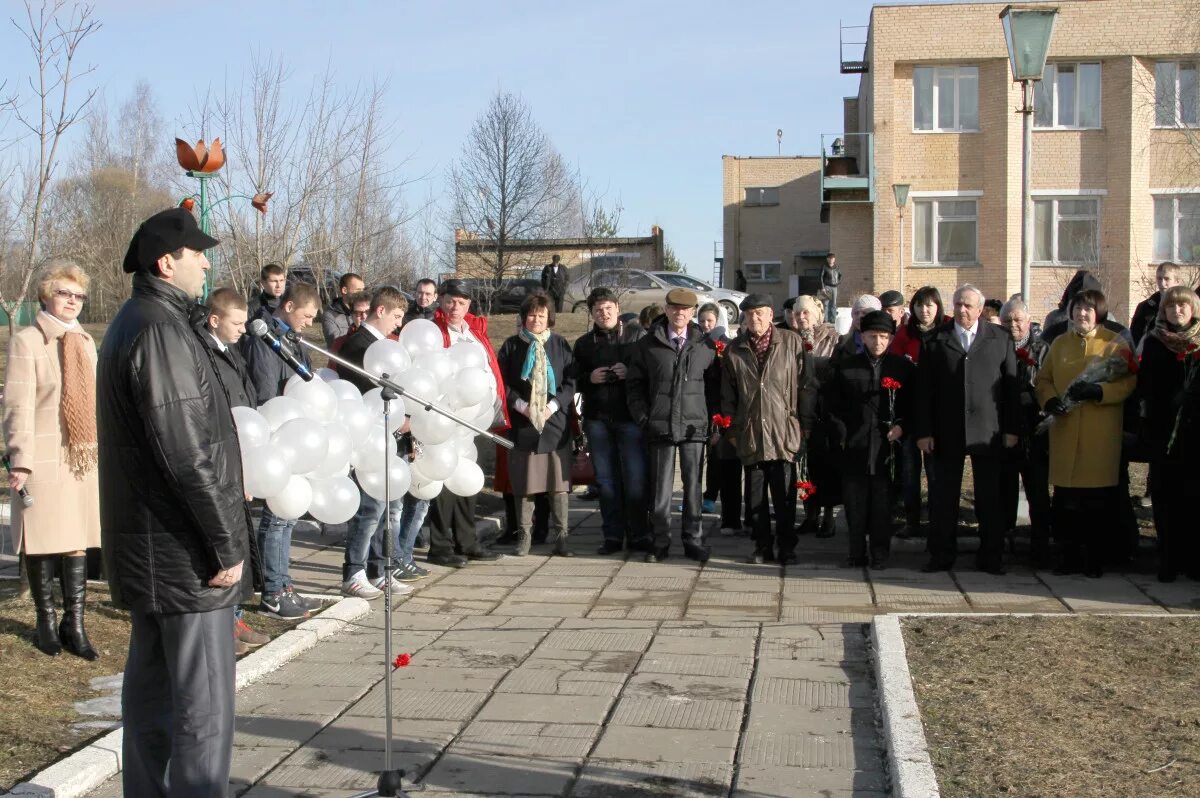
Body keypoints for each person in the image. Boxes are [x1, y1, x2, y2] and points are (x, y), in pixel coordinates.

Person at [99, 207, 253, 795]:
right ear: (167, 262)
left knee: (156, 702)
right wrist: (224, 543)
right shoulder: (159, 330)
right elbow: (188, 453)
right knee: (202, 712)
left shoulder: (141, 320)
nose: (207, 262)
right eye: (197, 253)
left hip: (158, 552)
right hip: (184, 556)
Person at [4, 262, 101, 659]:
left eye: (78, 296)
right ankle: (45, 619)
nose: (72, 302)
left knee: (76, 538)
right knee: (42, 539)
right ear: (46, 295)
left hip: (81, 453)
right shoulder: (28, 340)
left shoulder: (85, 341)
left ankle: (73, 623)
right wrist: (20, 458)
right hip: (42, 453)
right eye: (64, 294)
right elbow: (17, 403)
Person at [914, 284, 1020, 574]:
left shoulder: (999, 338)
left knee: (989, 498)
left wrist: (1012, 429)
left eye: (968, 305)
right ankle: (942, 555)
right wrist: (924, 431)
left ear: (980, 309)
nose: (962, 310)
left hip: (989, 432)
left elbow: (1011, 388)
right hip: (946, 431)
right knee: (943, 497)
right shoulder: (936, 340)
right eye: (958, 304)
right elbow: (924, 390)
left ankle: (991, 557)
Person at [1037, 289, 1136, 577]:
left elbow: (1129, 383)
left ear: (1098, 314)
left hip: (1099, 434)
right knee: (1066, 501)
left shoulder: (1113, 344)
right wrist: (1050, 399)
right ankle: (1067, 556)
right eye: (1077, 309)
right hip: (1066, 431)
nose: (1081, 314)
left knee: (1096, 504)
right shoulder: (1059, 344)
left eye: (1087, 310)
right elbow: (1044, 380)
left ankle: (1095, 558)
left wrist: (1099, 390)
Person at [196, 288, 272, 655]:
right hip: (222, 458)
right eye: (236, 322)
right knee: (226, 542)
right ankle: (222, 621)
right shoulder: (203, 353)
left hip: (242, 453)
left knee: (240, 540)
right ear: (215, 320)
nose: (243, 329)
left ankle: (235, 615)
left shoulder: (231, 351)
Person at [242, 282, 322, 618]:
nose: (310, 322)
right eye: (307, 315)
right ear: (288, 306)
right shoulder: (265, 339)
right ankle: (273, 591)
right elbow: (265, 389)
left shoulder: (290, 339)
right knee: (276, 519)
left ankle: (285, 583)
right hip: (277, 434)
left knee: (287, 518)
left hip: (294, 434)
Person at [338, 287, 424, 596]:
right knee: (370, 509)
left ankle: (378, 569)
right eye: (397, 317)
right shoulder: (358, 345)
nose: (399, 325)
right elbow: (366, 393)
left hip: (389, 438)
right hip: (369, 439)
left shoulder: (384, 346)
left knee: (386, 508)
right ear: (381, 311)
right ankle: (354, 571)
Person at [720, 293, 816, 564]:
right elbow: (728, 395)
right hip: (750, 431)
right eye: (749, 314)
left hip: (783, 429)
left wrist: (804, 425)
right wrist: (731, 431)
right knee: (755, 497)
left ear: (771, 314)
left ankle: (787, 546)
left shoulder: (791, 342)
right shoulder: (734, 350)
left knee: (784, 496)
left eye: (760, 313)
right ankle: (762, 545)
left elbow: (807, 386)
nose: (755, 319)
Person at [627, 287, 718, 563]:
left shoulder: (705, 345)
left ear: (692, 313)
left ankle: (693, 539)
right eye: (674, 308)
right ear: (666, 310)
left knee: (693, 488)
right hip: (659, 425)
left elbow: (714, 388)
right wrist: (644, 417)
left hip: (694, 427)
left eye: (685, 309)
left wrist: (713, 422)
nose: (679, 313)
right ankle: (660, 541)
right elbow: (634, 385)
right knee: (661, 491)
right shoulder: (647, 344)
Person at [428, 279, 507, 567]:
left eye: (461, 302)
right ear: (441, 301)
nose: (455, 307)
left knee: (468, 480)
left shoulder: (475, 333)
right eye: (450, 301)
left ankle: (468, 541)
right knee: (444, 480)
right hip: (442, 418)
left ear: (469, 305)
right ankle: (440, 546)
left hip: (472, 421)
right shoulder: (433, 332)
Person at [825, 310, 912, 569]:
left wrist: (901, 427)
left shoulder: (902, 368)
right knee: (854, 504)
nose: (878, 342)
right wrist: (842, 434)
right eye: (873, 336)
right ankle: (855, 553)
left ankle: (880, 554)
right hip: (855, 446)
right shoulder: (846, 367)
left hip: (887, 449)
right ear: (862, 336)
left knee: (882, 504)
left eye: (884, 336)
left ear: (891, 338)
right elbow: (831, 406)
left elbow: (912, 406)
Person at [497, 292, 576, 555]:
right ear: (523, 317)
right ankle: (524, 537)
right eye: (531, 315)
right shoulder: (511, 346)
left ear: (549, 318)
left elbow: (570, 382)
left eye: (541, 315)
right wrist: (522, 406)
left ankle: (562, 537)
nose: (536, 320)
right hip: (523, 424)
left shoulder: (561, 344)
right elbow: (502, 384)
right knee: (525, 484)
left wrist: (552, 407)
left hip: (555, 424)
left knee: (557, 485)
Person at [573, 287, 649, 553]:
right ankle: (613, 536)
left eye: (608, 308)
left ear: (617, 309)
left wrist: (630, 372)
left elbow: (651, 372)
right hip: (598, 419)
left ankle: (639, 533)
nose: (603, 314)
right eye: (597, 310)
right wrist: (588, 379)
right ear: (591, 313)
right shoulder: (584, 343)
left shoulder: (637, 336)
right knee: (606, 481)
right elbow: (572, 379)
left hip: (630, 418)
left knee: (635, 478)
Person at [1135, 285, 1200, 581]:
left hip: (1195, 433)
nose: (1178, 311)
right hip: (1163, 432)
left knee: (1193, 498)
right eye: (1172, 306)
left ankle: (1193, 559)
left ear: (1193, 309)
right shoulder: (1154, 341)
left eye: (1183, 306)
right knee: (1165, 497)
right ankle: (1168, 559)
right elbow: (1146, 385)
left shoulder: (1199, 342)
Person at [998, 298, 1052, 566]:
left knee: (1037, 492)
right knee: (1003, 492)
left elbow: (1047, 385)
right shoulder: (996, 346)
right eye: (1007, 320)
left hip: (1034, 431)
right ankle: (1004, 543)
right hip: (1004, 430)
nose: (1013, 325)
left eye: (1018, 320)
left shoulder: (1042, 350)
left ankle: (1041, 547)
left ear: (1028, 321)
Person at [890, 286, 947, 537]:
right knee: (910, 471)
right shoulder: (905, 333)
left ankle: (938, 522)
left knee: (936, 473)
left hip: (937, 413)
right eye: (919, 305)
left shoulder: (947, 331)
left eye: (929, 306)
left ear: (938, 307)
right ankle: (912, 521)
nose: (924, 311)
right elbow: (894, 364)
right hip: (910, 411)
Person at [792, 295, 841, 537]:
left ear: (817, 314)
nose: (801, 318)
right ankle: (810, 514)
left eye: (806, 313)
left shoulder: (832, 338)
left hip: (824, 413)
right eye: (797, 313)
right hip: (798, 410)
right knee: (805, 468)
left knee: (827, 467)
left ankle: (829, 517)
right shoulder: (789, 339)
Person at [698, 302, 741, 534]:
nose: (705, 325)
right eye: (702, 320)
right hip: (702, 407)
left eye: (710, 321)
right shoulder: (696, 343)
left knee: (722, 460)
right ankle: (704, 497)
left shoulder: (724, 345)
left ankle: (727, 512)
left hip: (722, 411)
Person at [1130, 262, 1183, 348]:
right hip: (1148, 356)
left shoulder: (1187, 306)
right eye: (1159, 278)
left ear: (1177, 281)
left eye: (1167, 279)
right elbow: (1134, 336)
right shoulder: (1144, 307)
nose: (1162, 283)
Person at [833, 294, 882, 362]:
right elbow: (832, 368)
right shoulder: (844, 341)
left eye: (864, 313)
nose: (859, 317)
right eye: (856, 313)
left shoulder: (885, 342)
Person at [321, 271, 365, 347]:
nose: (362, 294)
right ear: (344, 290)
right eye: (358, 290)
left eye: (363, 290)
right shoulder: (330, 315)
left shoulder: (366, 312)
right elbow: (336, 344)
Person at [821, 252, 842, 323]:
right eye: (829, 258)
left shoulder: (837, 267)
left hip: (834, 287)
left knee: (833, 304)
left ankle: (833, 320)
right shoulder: (824, 266)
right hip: (827, 287)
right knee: (826, 304)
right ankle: (825, 320)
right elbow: (821, 277)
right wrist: (822, 287)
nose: (831, 260)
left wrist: (838, 282)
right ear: (827, 259)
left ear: (834, 259)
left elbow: (840, 276)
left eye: (832, 258)